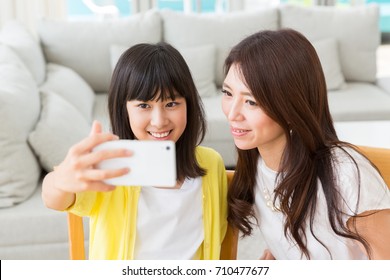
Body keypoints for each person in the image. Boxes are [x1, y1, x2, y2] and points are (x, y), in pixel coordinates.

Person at [42, 42, 228, 260]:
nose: (159, 121)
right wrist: (59, 181)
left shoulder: (211, 164)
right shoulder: (111, 167)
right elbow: (54, 199)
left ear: (189, 104)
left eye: (171, 104)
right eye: (144, 106)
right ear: (124, 110)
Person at [221, 29, 390, 260]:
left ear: (291, 107)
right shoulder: (256, 164)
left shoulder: (346, 175)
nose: (232, 114)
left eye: (251, 101)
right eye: (228, 93)